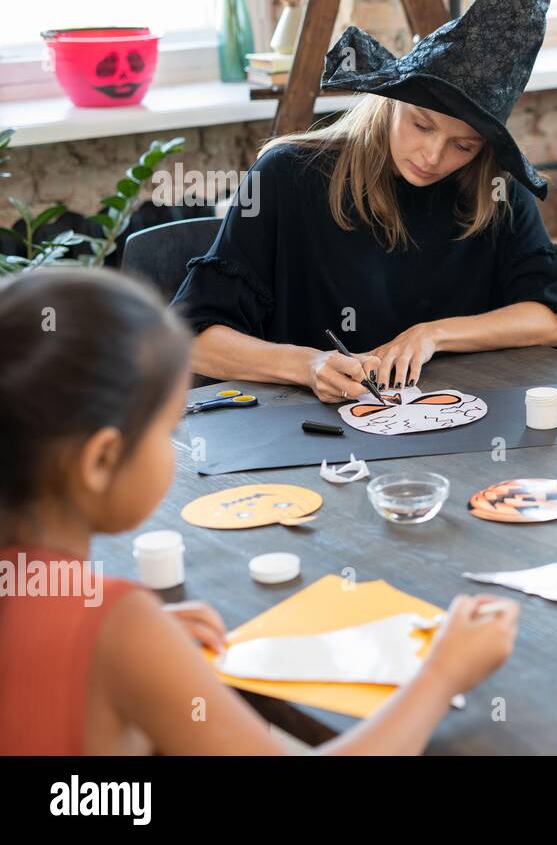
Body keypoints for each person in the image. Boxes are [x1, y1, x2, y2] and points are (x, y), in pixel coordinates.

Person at [0, 269, 519, 755]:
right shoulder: (121, 627)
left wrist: (144, 650)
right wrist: (442, 674)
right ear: (102, 461)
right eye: (168, 429)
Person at [173, 0, 557, 402]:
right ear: (391, 100)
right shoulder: (289, 176)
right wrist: (308, 364)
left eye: (464, 145)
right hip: (312, 438)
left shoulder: (492, 184)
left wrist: (432, 333)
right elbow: (192, 339)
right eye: (421, 125)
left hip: (450, 426)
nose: (435, 157)